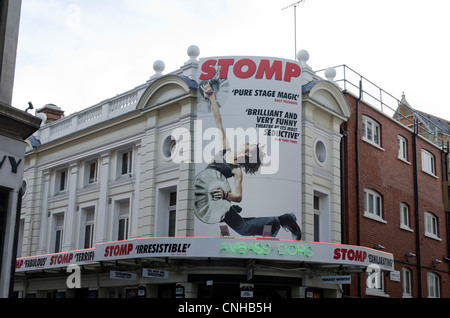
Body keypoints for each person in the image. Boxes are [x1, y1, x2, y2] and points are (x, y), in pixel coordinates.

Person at [194, 83, 302, 240]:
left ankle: (284, 219)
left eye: (249, 150)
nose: (247, 146)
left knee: (244, 229)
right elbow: (219, 121)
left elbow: (238, 196)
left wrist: (226, 195)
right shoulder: (225, 148)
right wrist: (211, 98)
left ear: (247, 158)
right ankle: (271, 218)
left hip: (219, 197)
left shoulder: (236, 170)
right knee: (241, 224)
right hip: (208, 194)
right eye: (249, 145)